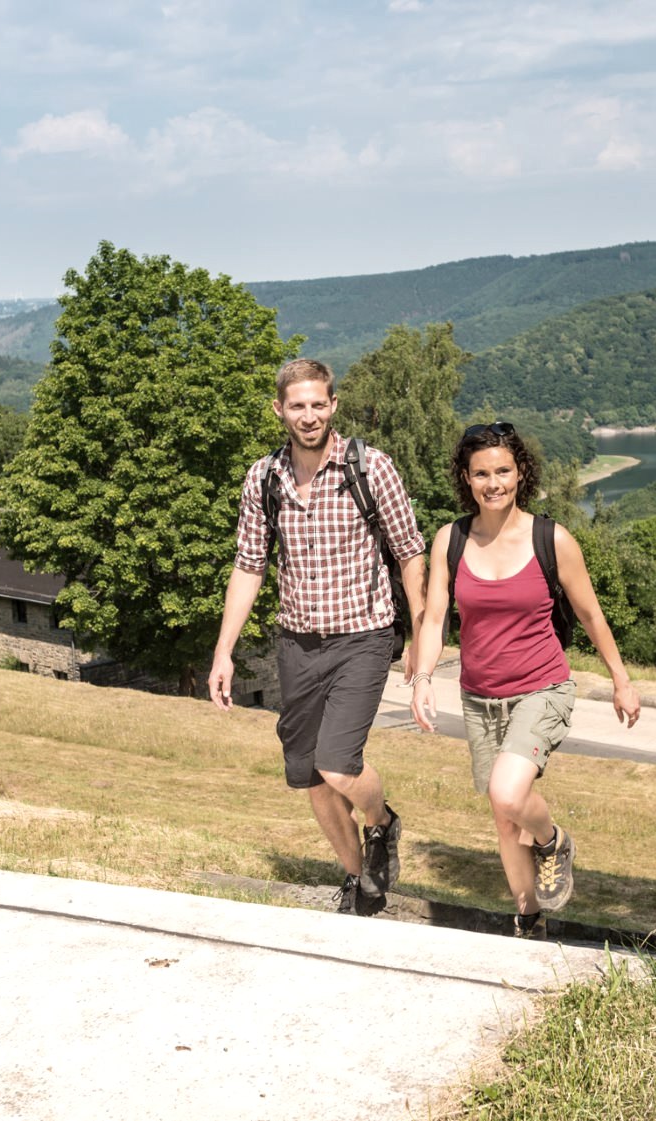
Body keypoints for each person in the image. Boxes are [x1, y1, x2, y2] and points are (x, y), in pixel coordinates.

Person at [209, 357, 427, 917]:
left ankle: (381, 822)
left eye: (317, 404)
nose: (308, 416)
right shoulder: (264, 477)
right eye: (297, 406)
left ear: (333, 405)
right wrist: (224, 651)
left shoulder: (370, 468)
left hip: (363, 636)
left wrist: (422, 635)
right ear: (279, 410)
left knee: (337, 763)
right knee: (311, 778)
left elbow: (410, 553)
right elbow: (249, 565)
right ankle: (360, 882)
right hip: (297, 643)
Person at [408, 421, 639, 939]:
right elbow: (435, 618)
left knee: (509, 795)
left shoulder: (551, 539)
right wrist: (423, 677)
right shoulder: (451, 539)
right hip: (480, 698)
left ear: (521, 474)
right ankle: (529, 918)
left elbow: (591, 615)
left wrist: (621, 680)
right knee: (504, 816)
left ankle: (554, 840)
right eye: (481, 474)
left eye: (503, 471)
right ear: (466, 479)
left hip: (541, 688)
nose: (493, 483)